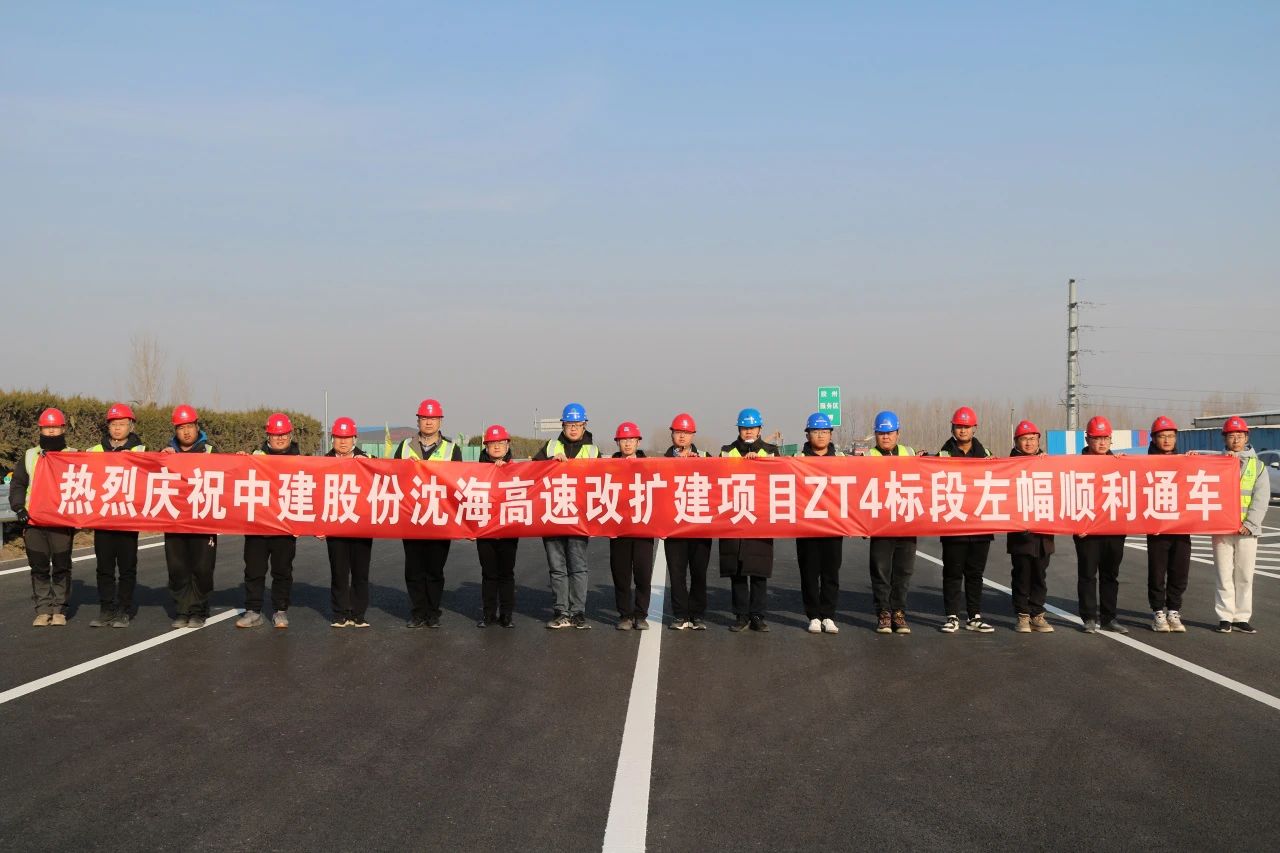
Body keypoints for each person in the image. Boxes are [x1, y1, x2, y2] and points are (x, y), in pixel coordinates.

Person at [393, 398, 462, 629]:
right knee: (413, 569)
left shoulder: (452, 449)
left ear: (440, 421)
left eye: (433, 418)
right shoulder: (404, 447)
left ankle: (433, 612)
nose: (429, 422)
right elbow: (392, 477)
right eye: (424, 418)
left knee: (434, 569)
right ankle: (417, 612)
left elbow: (459, 482)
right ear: (418, 421)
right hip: (411, 517)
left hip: (440, 518)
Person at [533, 402, 600, 629]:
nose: (573, 428)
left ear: (584, 425)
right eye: (569, 424)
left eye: (577, 424)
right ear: (562, 425)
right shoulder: (550, 447)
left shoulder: (593, 451)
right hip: (552, 516)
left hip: (579, 518)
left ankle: (578, 612)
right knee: (557, 568)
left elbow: (603, 481)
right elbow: (530, 474)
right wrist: (549, 463)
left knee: (578, 567)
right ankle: (561, 611)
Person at [9, 408, 77, 626]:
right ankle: (43, 609)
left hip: (61, 522)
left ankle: (59, 609)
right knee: (38, 566)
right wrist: (19, 508)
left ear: (63, 429)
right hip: (34, 521)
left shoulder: (74, 455)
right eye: (47, 428)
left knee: (61, 565)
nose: (51, 431)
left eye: (55, 427)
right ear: (40, 430)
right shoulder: (30, 456)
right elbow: (18, 484)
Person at [235, 413, 300, 629]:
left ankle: (280, 610)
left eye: (283, 434)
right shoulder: (255, 457)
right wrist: (239, 461)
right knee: (254, 570)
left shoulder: (302, 461)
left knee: (282, 571)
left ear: (290, 435)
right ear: (268, 435)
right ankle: (253, 610)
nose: (279, 438)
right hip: (258, 526)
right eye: (275, 434)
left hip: (285, 526)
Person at [86, 403, 146, 628]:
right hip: (103, 519)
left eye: (122, 424)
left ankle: (124, 610)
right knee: (104, 567)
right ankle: (106, 609)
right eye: (113, 424)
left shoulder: (142, 451)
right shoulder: (94, 451)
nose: (117, 428)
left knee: (127, 567)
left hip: (128, 518)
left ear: (131, 426)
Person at [720, 407, 779, 632]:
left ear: (760, 429)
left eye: (752, 427)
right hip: (734, 516)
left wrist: (758, 461)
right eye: (744, 428)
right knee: (736, 570)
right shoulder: (727, 451)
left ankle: (757, 615)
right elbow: (717, 476)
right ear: (738, 429)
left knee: (758, 570)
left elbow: (780, 478)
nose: (748, 431)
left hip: (760, 517)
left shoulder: (771, 452)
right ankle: (740, 615)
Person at [937, 406, 995, 634]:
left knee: (975, 574)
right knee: (952, 572)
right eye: (959, 426)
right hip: (954, 523)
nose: (963, 431)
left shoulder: (986, 454)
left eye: (967, 427)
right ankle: (952, 616)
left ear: (974, 428)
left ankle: (974, 616)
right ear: (952, 428)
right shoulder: (942, 455)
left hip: (980, 525)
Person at [1212, 415, 1271, 634]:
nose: (1236, 440)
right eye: (1231, 436)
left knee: (1245, 575)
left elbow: (1261, 498)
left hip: (1247, 530)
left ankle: (1241, 617)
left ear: (1247, 437)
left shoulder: (1258, 466)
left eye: (1240, 435)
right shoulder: (1214, 464)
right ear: (1224, 438)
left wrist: (1251, 523)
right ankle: (1225, 617)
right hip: (1221, 528)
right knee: (1223, 573)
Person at [161, 405, 217, 628]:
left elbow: (232, 473)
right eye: (181, 427)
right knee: (177, 567)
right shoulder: (167, 453)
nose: (186, 432)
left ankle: (198, 610)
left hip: (203, 520)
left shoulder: (211, 452)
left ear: (197, 426)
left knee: (202, 567)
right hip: (175, 519)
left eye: (189, 427)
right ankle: (182, 610)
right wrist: (162, 458)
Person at [1074, 416, 1128, 634]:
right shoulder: (1076, 466)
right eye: (1097, 438)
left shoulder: (1119, 463)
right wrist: (1077, 524)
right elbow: (1067, 496)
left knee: (1110, 575)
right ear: (1088, 439)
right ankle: (1088, 617)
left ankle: (1109, 618)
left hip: (1114, 529)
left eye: (1105, 438)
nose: (1102, 443)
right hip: (1087, 529)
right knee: (1087, 574)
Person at [794, 412, 844, 634]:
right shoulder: (797, 459)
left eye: (825, 431)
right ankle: (813, 615)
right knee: (809, 572)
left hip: (833, 525)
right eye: (816, 431)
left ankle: (829, 616)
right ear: (808, 434)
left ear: (831, 434)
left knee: (831, 572)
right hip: (807, 526)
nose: (821, 436)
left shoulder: (842, 459)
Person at [867, 410, 915, 635]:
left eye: (889, 432)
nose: (885, 437)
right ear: (876, 434)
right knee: (881, 571)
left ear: (898, 433)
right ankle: (884, 613)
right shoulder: (867, 457)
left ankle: (899, 612)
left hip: (906, 522)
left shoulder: (909, 453)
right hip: (880, 524)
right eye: (881, 433)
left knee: (903, 572)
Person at [321, 417, 372, 628]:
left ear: (355, 439)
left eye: (347, 437)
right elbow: (316, 495)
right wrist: (318, 525)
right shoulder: (322, 463)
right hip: (335, 525)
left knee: (360, 572)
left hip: (361, 525)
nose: (343, 442)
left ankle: (358, 613)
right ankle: (340, 613)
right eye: (339, 437)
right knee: (339, 571)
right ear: (332, 439)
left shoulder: (368, 460)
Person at [664, 413, 711, 631]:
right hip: (674, 527)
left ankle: (698, 615)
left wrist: (700, 464)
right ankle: (680, 614)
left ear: (693, 435)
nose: (682, 436)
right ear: (672, 434)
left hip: (700, 526)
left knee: (699, 573)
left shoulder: (705, 457)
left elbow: (720, 480)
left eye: (686, 432)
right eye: (678, 432)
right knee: (677, 574)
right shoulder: (662, 461)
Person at [1007, 421, 1055, 634]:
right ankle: (1022, 615)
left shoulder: (1047, 463)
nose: (1029, 443)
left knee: (1040, 576)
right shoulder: (1007, 466)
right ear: (1016, 441)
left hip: (1043, 534)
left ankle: (1037, 614)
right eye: (1024, 439)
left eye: (1033, 439)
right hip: (1021, 534)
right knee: (1022, 575)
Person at [1146, 416, 1190, 633]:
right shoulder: (1144, 464)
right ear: (1154, 439)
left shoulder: (1185, 461)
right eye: (1162, 436)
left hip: (1181, 526)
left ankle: (1174, 610)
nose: (1166, 440)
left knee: (1179, 571)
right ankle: (1158, 613)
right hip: (1157, 527)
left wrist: (1196, 461)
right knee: (1157, 572)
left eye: (1170, 436)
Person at [610, 422, 654, 631]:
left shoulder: (649, 465)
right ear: (617, 442)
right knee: (621, 575)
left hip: (643, 528)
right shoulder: (608, 466)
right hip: (618, 529)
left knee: (643, 574)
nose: (627, 443)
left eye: (631, 439)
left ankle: (641, 614)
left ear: (638, 442)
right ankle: (625, 615)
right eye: (623, 440)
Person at [476, 425, 518, 628]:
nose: (497, 446)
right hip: (484, 529)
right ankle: (488, 614)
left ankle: (507, 615)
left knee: (506, 573)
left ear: (507, 445)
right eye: (492, 443)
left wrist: (506, 469)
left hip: (509, 529)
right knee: (488, 573)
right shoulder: (475, 471)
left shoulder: (517, 469)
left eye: (501, 442)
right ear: (486, 446)